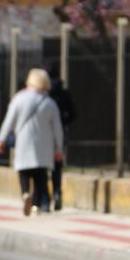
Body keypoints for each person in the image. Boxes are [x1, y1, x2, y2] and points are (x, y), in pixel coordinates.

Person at [0, 68, 63, 215]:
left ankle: (26, 193)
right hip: (44, 145)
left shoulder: (19, 98)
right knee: (40, 176)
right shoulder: (50, 103)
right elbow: (58, 129)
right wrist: (58, 148)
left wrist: (1, 139)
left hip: (24, 142)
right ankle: (36, 205)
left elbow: (9, 121)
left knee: (24, 170)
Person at [48, 73, 76, 211]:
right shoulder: (64, 93)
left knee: (41, 168)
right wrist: (63, 122)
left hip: (44, 135)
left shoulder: (45, 93)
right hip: (60, 133)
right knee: (57, 165)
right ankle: (57, 191)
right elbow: (73, 114)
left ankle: (43, 200)